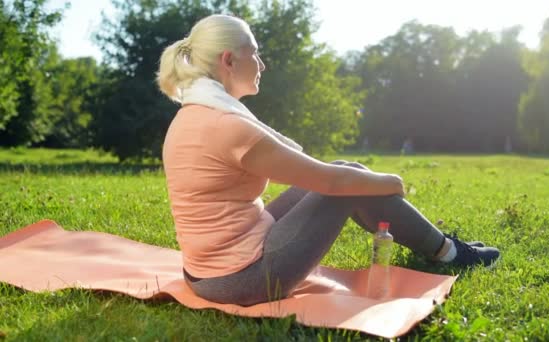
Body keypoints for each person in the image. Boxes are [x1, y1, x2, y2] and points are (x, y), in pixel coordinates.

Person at [158, 14, 500, 306]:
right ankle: (448, 253)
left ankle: (442, 248)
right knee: (347, 183)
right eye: (255, 54)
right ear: (229, 60)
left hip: (208, 270)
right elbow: (330, 183)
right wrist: (389, 183)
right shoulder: (227, 126)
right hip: (241, 279)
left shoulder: (194, 114)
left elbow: (327, 175)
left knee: (347, 172)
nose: (261, 65)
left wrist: (365, 182)